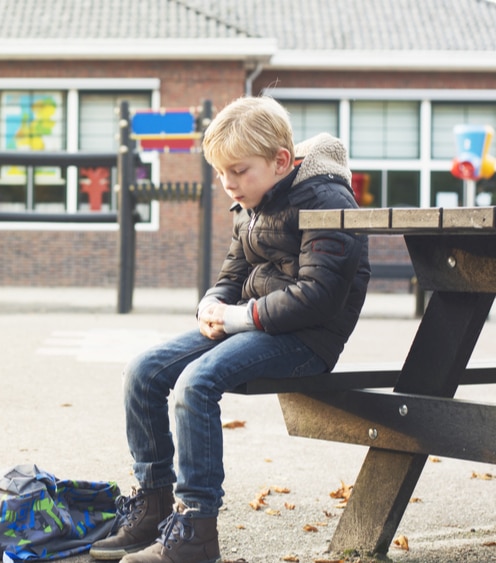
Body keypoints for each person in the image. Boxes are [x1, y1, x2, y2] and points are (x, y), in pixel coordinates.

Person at [90, 96, 371, 563]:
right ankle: (155, 504)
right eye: (221, 173)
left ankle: (196, 528)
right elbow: (232, 271)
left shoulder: (326, 199)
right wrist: (212, 303)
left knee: (195, 384)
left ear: (281, 161)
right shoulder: (253, 199)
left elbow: (319, 295)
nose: (228, 185)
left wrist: (240, 316)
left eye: (238, 172)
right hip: (252, 325)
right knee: (143, 371)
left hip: (308, 339)